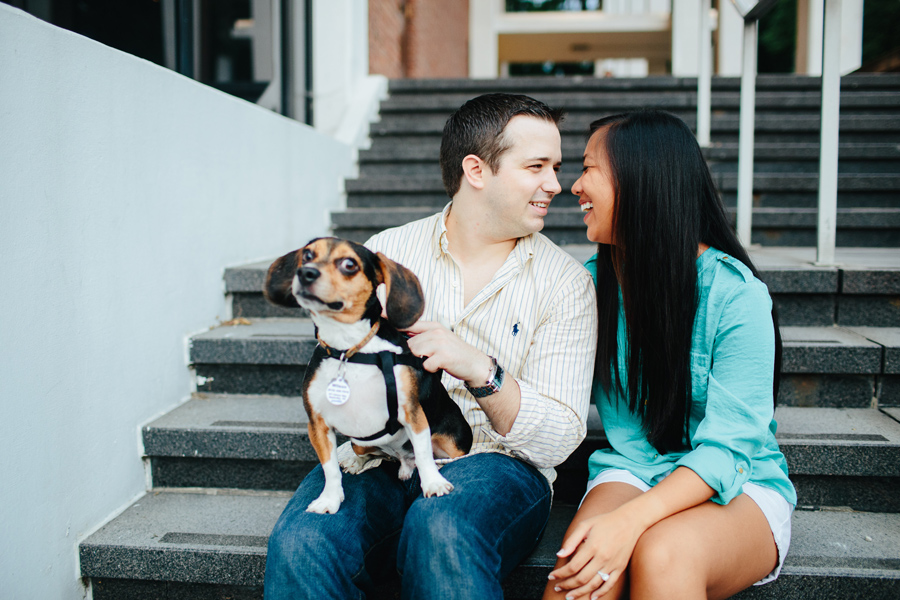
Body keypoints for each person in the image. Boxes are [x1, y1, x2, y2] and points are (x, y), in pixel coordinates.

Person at [265, 93, 598, 600]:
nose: (555, 184)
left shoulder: (566, 283)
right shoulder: (388, 253)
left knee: (441, 528)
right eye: (536, 166)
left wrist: (480, 369)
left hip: (498, 461)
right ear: (477, 170)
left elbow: (557, 441)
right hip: (379, 453)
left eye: (555, 167)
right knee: (302, 542)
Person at [543, 110, 797, 600]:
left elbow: (729, 448)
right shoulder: (589, 284)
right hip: (633, 467)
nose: (572, 186)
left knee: (663, 553)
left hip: (739, 482)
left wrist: (629, 523)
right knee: (582, 568)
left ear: (641, 180)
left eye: (588, 168)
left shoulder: (736, 295)